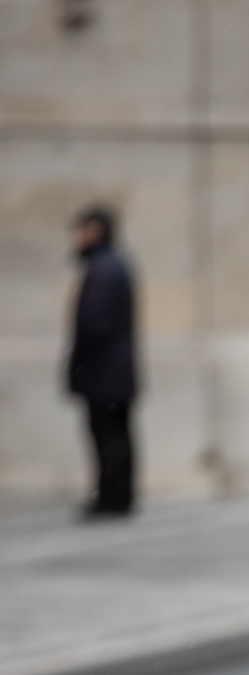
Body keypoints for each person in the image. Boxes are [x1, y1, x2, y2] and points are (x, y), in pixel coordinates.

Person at [66, 205, 138, 517]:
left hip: (103, 373)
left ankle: (111, 498)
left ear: (96, 230)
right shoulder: (116, 264)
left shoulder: (101, 269)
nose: (77, 237)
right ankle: (119, 496)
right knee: (118, 436)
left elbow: (92, 325)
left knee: (107, 436)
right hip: (116, 371)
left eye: (82, 230)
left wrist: (77, 366)